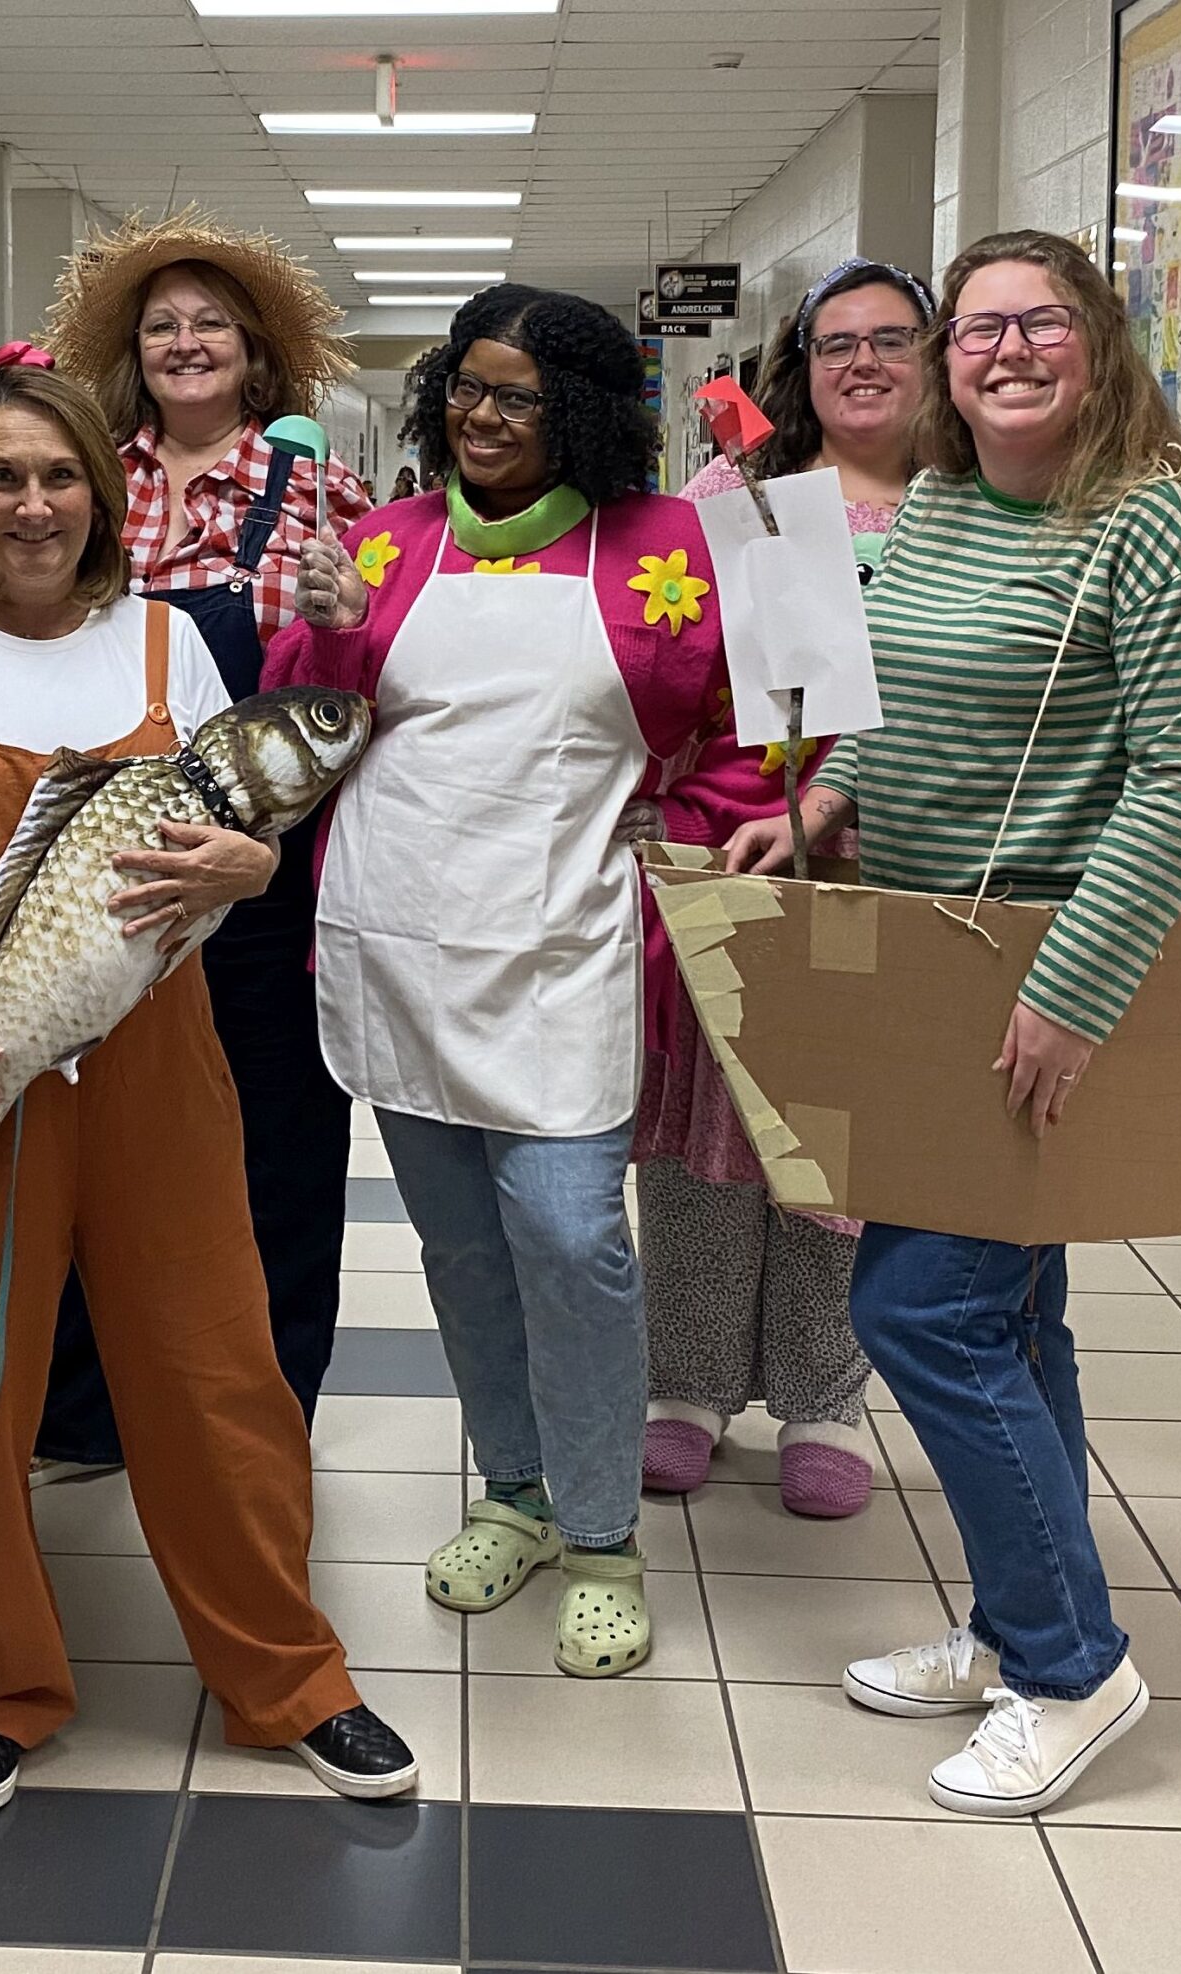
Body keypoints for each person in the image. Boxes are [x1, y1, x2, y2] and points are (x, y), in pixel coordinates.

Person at [0, 348, 416, 1816]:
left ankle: (288, 1670)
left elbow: (230, 837)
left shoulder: (165, 647)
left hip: (157, 1066)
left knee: (219, 1372)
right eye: (3, 477)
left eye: (61, 476)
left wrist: (257, 862)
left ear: (105, 491)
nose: (33, 506)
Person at [724, 229, 1181, 1815]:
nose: (1004, 352)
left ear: (1100, 343)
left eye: (1040, 324)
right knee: (1016, 1317)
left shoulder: (1164, 528)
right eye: (980, 330)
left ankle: (1074, 1666)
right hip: (930, 950)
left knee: (920, 1314)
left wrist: (1070, 997)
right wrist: (821, 799)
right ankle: (1020, 1622)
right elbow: (903, 705)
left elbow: (1178, 785)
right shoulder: (948, 504)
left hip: (1047, 969)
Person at [270, 285, 730, 1677]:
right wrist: (338, 627)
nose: (482, 414)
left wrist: (697, 828)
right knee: (462, 1250)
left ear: (580, 409)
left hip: (565, 949)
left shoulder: (668, 548)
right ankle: (518, 1493)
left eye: (518, 394)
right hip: (400, 947)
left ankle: (602, 1533)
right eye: (465, 386)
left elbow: (749, 726)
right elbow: (303, 726)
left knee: (572, 1240)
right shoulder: (388, 543)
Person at [34, 211, 371, 1484]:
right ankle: (84, 1414)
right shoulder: (84, 479)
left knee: (280, 1152)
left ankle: (269, 1409)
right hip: (109, 867)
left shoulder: (323, 496)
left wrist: (350, 623)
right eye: (163, 324)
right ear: (137, 351)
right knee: (96, 1136)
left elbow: (360, 688)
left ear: (253, 356)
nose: (185, 342)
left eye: (209, 324)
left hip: (266, 882)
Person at [638, 257, 935, 1520]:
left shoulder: (977, 505)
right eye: (834, 345)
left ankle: (824, 1394)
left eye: (889, 340)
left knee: (845, 1132)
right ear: (799, 367)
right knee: (711, 1113)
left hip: (902, 858)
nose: (861, 363)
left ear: (932, 356)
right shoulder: (740, 497)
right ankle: (686, 1385)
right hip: (742, 838)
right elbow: (665, 655)